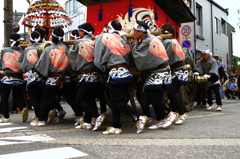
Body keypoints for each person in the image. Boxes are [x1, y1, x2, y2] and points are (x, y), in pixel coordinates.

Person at [94, 20, 147, 134]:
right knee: (115, 101)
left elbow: (97, 59)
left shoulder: (103, 37)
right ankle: (116, 125)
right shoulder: (124, 39)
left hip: (114, 73)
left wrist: (101, 70)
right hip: (126, 72)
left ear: (108, 27)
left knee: (117, 103)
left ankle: (138, 117)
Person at [131, 20, 179, 130]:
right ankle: (160, 119)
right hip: (161, 71)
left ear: (140, 31)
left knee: (151, 97)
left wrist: (135, 41)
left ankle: (170, 113)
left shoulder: (148, 40)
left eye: (134, 30)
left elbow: (136, 54)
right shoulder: (151, 38)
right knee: (155, 96)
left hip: (159, 72)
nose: (133, 32)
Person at [34, 28, 83, 126]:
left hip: (52, 79)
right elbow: (72, 64)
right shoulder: (67, 48)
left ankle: (42, 120)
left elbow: (41, 65)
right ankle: (80, 116)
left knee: (46, 100)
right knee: (71, 99)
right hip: (65, 79)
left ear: (52, 36)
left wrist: (44, 75)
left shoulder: (48, 49)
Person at [70, 23, 105, 130]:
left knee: (80, 99)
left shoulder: (80, 42)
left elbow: (73, 57)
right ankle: (88, 122)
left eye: (79, 31)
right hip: (96, 74)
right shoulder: (96, 42)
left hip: (86, 74)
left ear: (83, 31)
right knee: (89, 99)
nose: (79, 33)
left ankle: (97, 116)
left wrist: (75, 69)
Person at [161, 23, 188, 125]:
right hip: (176, 70)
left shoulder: (168, 41)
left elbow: (164, 57)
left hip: (178, 70)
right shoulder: (173, 41)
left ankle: (182, 113)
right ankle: (175, 113)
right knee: (171, 92)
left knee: (171, 92)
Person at [0, 33, 28, 123]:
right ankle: (23, 108)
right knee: (17, 96)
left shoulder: (5, 50)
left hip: (7, 76)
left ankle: (6, 117)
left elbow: (1, 62)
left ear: (10, 41)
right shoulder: (22, 51)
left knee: (4, 97)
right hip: (19, 77)